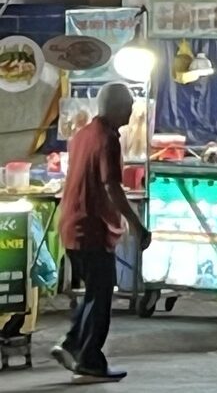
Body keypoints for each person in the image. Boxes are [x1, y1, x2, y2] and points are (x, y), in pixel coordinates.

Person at [54, 83, 148, 381]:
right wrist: (137, 225)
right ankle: (90, 360)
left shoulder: (82, 134)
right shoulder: (108, 139)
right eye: (130, 106)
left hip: (71, 225)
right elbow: (112, 186)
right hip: (90, 228)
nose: (133, 112)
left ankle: (72, 345)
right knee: (102, 296)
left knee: (95, 292)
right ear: (118, 107)